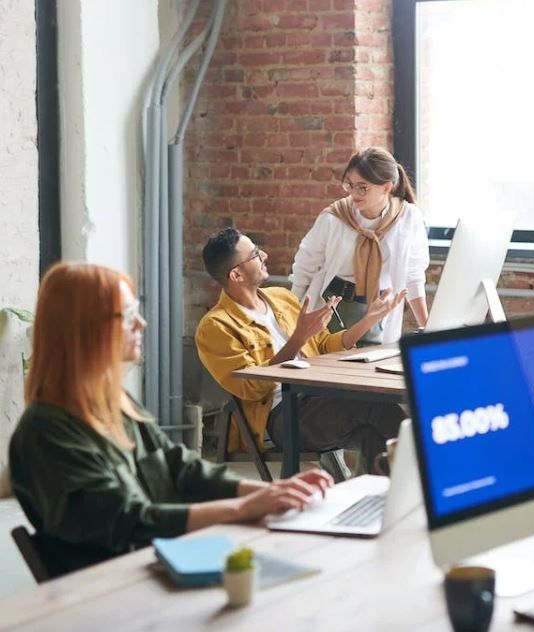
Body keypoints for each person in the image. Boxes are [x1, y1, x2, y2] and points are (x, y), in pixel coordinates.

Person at [8, 262, 334, 578]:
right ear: (86, 329)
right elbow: (128, 521)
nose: (142, 324)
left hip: (160, 564)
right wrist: (244, 508)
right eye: (128, 316)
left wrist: (273, 491)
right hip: (115, 587)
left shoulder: (117, 403)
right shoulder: (46, 431)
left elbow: (180, 469)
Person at [195, 227, 406, 475]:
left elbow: (324, 346)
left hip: (320, 397)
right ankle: (433, 472)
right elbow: (251, 387)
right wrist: (298, 338)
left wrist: (368, 320)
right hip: (282, 416)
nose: (264, 255)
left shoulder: (281, 298)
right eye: (255, 254)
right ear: (236, 274)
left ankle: (388, 495)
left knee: (374, 433)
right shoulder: (215, 327)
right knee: (375, 405)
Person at [290, 147, 430, 346]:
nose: (354, 193)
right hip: (331, 307)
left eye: (363, 187)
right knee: (327, 361)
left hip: (376, 310)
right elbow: (304, 268)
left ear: (386, 187)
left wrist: (428, 328)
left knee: (372, 363)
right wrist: (290, 319)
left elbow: (413, 276)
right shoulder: (334, 217)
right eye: (350, 184)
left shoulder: (408, 217)